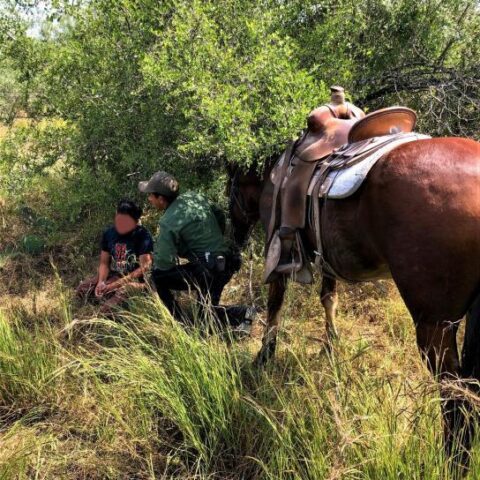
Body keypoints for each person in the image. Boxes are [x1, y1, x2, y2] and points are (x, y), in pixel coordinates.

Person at [138, 170, 253, 332]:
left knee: (159, 278)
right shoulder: (194, 197)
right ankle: (243, 324)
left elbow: (164, 264)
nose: (149, 199)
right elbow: (219, 215)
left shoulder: (168, 221)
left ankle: (183, 324)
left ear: (161, 199)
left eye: (150, 195)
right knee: (206, 312)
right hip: (228, 261)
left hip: (209, 271)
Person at [76, 199, 154, 315]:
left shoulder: (142, 235)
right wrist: (101, 282)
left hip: (136, 281)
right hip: (117, 276)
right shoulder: (109, 234)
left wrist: (116, 285)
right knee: (82, 289)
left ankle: (107, 309)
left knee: (106, 310)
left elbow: (145, 267)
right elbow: (104, 263)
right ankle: (106, 296)